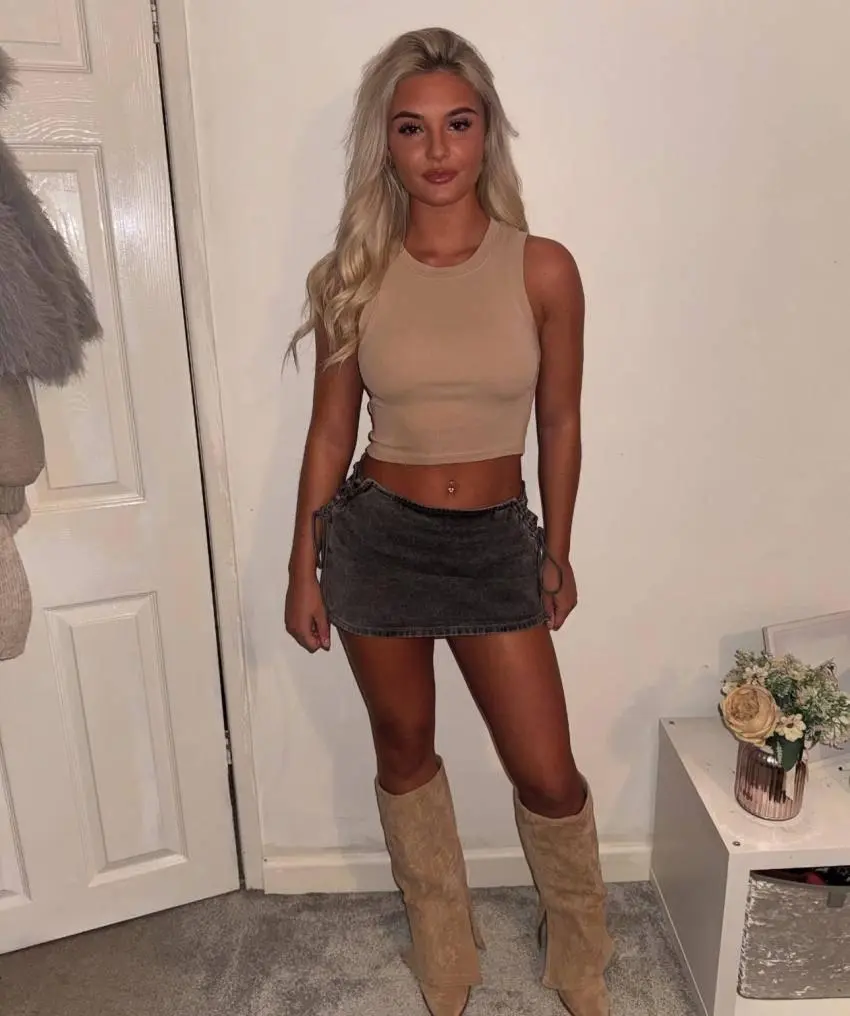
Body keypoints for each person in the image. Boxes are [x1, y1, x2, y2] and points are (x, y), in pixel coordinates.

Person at [285, 26, 613, 1016]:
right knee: (404, 750)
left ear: (486, 135)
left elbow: (560, 420)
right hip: (378, 541)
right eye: (412, 128)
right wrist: (302, 567)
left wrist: (557, 548)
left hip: (495, 542)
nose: (437, 149)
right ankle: (443, 938)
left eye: (458, 124)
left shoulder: (542, 268)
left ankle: (580, 942)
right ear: (384, 143)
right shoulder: (352, 273)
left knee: (547, 772)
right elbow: (329, 430)